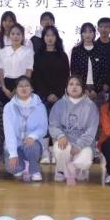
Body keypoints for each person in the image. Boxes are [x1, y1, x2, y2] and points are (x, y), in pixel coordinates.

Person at [48, 76, 99, 184]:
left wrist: (79, 145)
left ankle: (79, 168)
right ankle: (61, 170)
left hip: (84, 145)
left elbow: (91, 131)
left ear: (83, 88)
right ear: (66, 88)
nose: (74, 87)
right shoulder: (59, 105)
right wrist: (61, 135)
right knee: (60, 149)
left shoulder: (91, 106)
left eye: (78, 84)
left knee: (84, 162)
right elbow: (53, 125)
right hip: (65, 142)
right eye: (71, 84)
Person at [32, 25, 70, 163]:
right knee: (43, 123)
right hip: (42, 95)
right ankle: (44, 152)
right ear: (43, 38)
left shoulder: (62, 55)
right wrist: (46, 94)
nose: (49, 38)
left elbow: (66, 77)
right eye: (47, 35)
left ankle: (56, 151)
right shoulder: (38, 55)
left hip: (59, 95)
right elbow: (36, 77)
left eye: (52, 35)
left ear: (56, 38)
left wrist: (57, 93)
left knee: (57, 124)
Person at [3, 76, 48, 182]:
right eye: (20, 86)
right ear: (16, 89)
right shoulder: (9, 107)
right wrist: (13, 153)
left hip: (31, 144)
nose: (24, 88)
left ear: (32, 88)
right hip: (16, 144)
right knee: (13, 168)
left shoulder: (40, 106)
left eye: (27, 86)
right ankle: (20, 163)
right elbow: (9, 132)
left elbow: (43, 128)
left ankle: (34, 169)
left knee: (32, 147)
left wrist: (33, 136)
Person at [70, 22, 109, 104]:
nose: (88, 34)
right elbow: (74, 71)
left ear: (94, 33)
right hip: (81, 88)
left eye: (90, 31)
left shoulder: (100, 49)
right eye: (85, 32)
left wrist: (96, 90)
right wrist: (83, 89)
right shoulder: (76, 50)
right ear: (81, 34)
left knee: (98, 110)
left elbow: (104, 71)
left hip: (98, 87)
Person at [0, 23, 34, 103]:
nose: (15, 36)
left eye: (18, 34)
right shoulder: (3, 51)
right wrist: (3, 88)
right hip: (6, 85)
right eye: (13, 34)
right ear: (9, 35)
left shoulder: (28, 52)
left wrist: (18, 88)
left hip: (22, 85)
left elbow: (28, 72)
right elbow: (0, 70)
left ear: (23, 36)